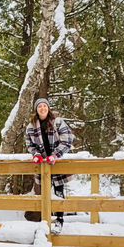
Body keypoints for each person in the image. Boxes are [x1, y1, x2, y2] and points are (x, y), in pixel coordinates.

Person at [24, 98, 75, 234]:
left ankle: (59, 221)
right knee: (44, 193)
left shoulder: (57, 122)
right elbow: (30, 144)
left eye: (44, 106)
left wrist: (56, 154)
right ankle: (45, 221)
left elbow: (68, 139)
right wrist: (35, 154)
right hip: (43, 164)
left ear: (48, 108)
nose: (42, 108)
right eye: (39, 106)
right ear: (36, 109)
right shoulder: (31, 126)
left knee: (59, 192)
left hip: (56, 162)